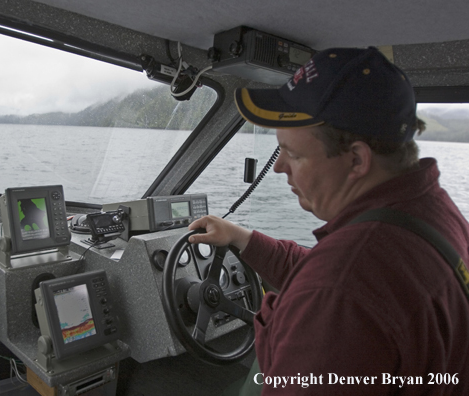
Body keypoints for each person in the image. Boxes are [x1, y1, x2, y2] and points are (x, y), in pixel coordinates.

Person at [189, 47, 469, 395]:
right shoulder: (430, 212)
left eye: (293, 153)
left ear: (356, 160)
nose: (279, 168)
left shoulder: (337, 292)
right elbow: (338, 275)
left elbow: (337, 283)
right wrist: (243, 238)